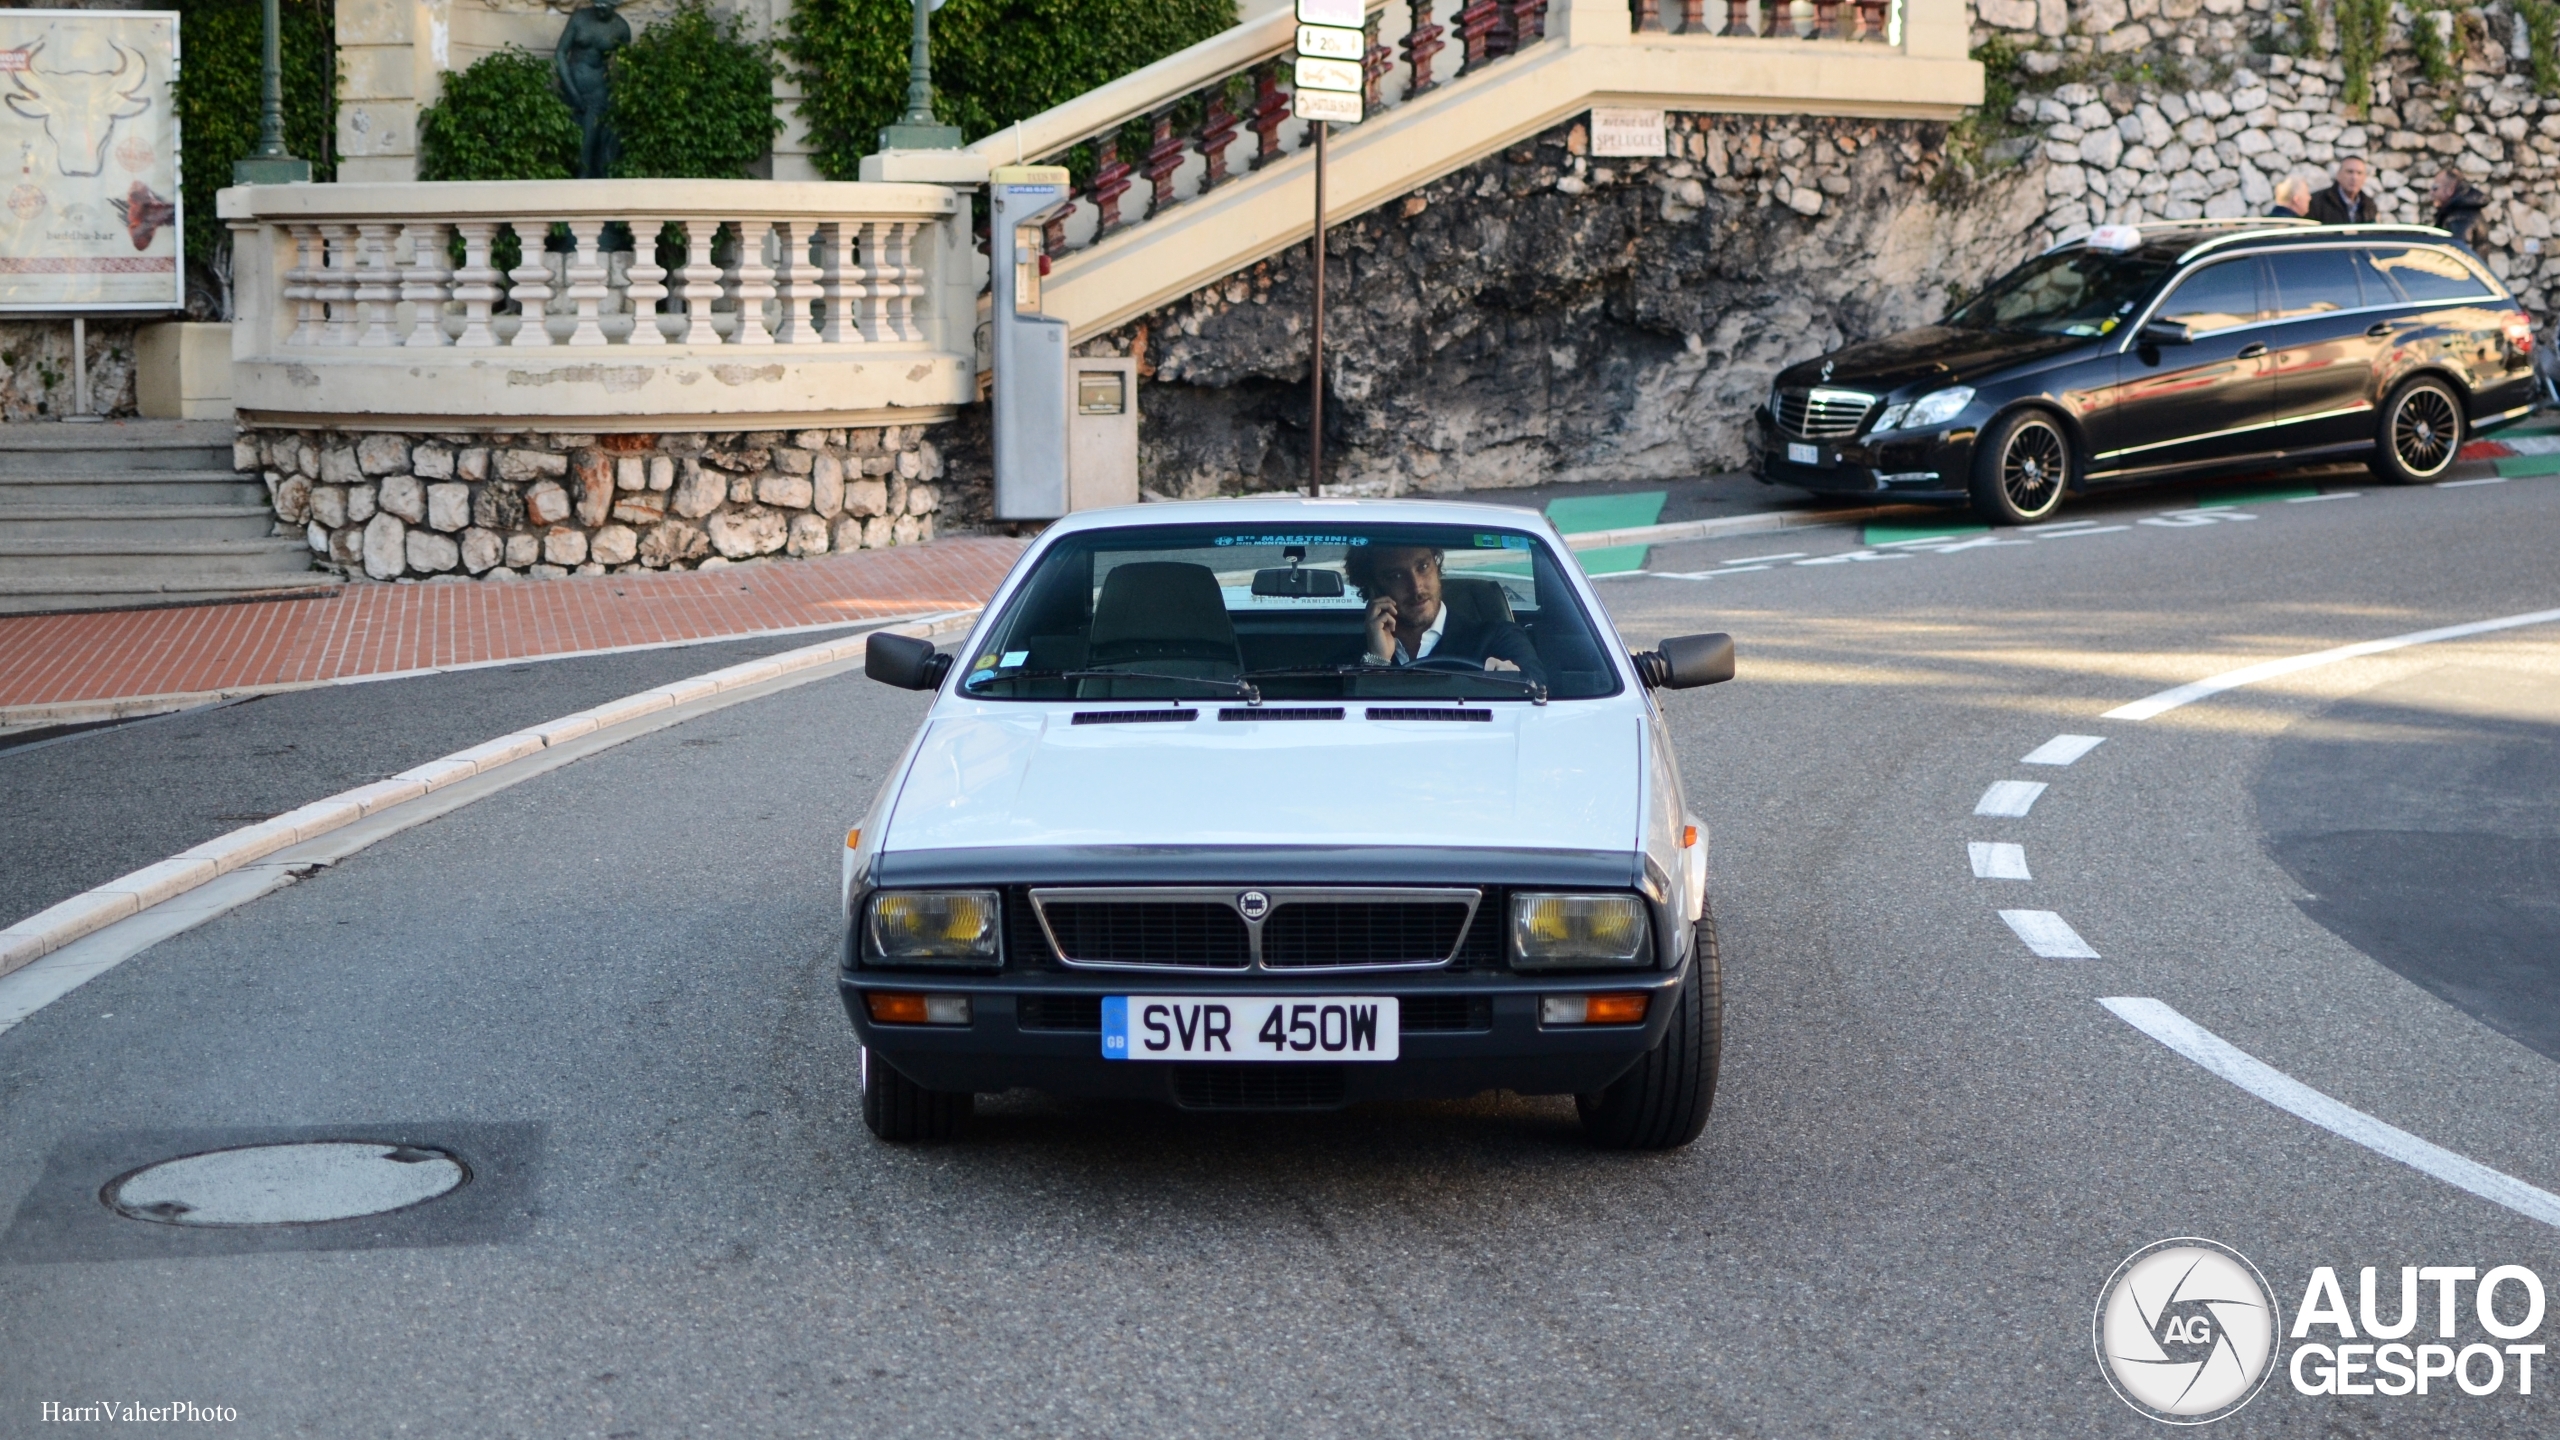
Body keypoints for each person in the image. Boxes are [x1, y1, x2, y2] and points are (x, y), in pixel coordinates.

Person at [1343, 544, 1544, 677]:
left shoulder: (1498, 638)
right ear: (1373, 588)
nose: (1416, 587)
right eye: (1396, 576)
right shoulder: (1354, 656)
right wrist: (1378, 663)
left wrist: (1516, 680)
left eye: (1423, 567)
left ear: (1437, 568)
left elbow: (1542, 692)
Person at [2430, 168, 2488, 251]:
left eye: (2435, 188)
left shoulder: (2460, 219)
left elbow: (2460, 253)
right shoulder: (2461, 213)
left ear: (2450, 190)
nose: (2431, 193)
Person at [2307, 158, 2378, 224]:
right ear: (2338, 175)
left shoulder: (2369, 205)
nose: (2354, 177)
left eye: (2359, 173)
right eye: (2350, 172)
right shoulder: (2317, 202)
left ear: (2364, 178)